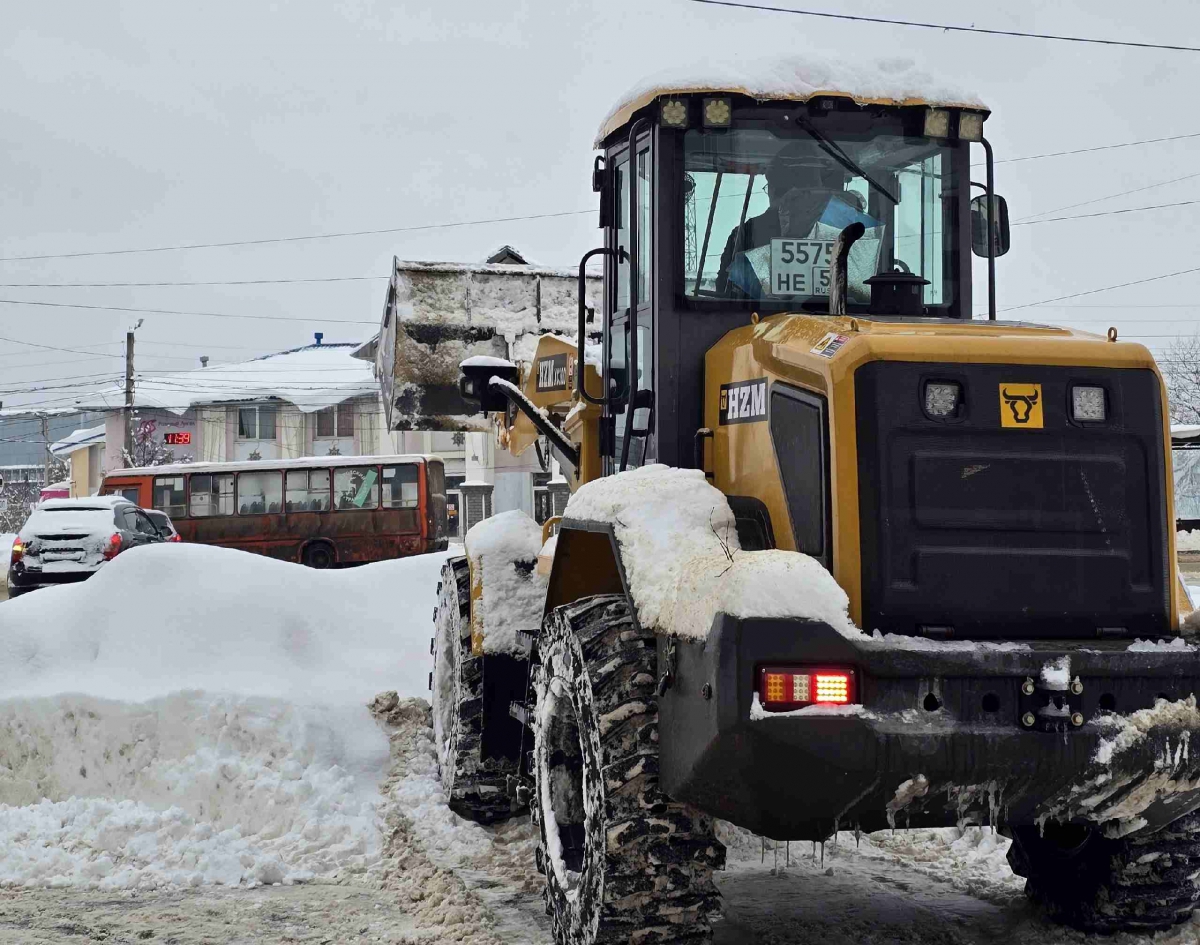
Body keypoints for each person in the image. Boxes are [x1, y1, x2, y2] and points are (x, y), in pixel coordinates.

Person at [715, 141, 861, 298]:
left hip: (763, 320)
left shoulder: (747, 233)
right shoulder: (854, 226)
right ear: (817, 184)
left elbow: (726, 292)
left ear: (774, 189)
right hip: (848, 320)